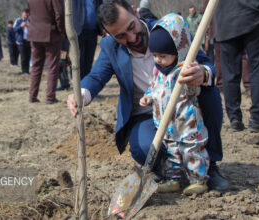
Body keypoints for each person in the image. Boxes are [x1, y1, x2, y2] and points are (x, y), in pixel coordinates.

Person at [67, 0, 229, 192]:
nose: (132, 37)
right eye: (121, 35)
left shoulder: (168, 30)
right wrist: (82, 94)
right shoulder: (110, 47)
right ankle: (169, 169)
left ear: (135, 12)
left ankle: (210, 165)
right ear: (108, 34)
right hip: (147, 114)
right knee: (144, 149)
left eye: (131, 27)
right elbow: (96, 76)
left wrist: (202, 73)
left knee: (209, 91)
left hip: (185, 108)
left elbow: (205, 63)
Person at [140, 14, 210, 195]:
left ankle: (198, 180)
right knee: (172, 154)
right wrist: (148, 96)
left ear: (178, 51)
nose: (157, 60)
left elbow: (194, 90)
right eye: (154, 55)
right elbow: (154, 88)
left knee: (191, 151)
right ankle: (173, 180)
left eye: (162, 56)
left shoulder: (184, 71)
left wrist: (192, 75)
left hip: (186, 123)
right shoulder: (159, 72)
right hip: (166, 125)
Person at [216, 0, 259, 133]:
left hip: (226, 18)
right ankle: (256, 118)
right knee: (258, 67)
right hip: (255, 15)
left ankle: (235, 119)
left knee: (230, 71)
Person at [28, 0, 64, 104]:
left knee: (36, 66)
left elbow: (31, 12)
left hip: (35, 33)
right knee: (52, 66)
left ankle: (32, 95)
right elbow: (59, 13)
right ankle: (50, 97)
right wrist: (61, 30)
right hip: (51, 33)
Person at [73, 0, 103, 80]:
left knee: (89, 59)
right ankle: (80, 82)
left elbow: (100, 8)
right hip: (80, 31)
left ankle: (86, 83)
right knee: (80, 59)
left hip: (93, 31)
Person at [14, 9, 31, 75]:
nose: (26, 15)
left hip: (29, 40)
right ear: (22, 13)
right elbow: (14, 29)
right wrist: (21, 26)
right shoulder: (18, 20)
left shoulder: (30, 20)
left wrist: (29, 26)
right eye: (25, 13)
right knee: (23, 56)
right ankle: (24, 71)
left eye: (27, 14)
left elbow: (35, 29)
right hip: (21, 41)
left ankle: (27, 70)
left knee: (28, 56)